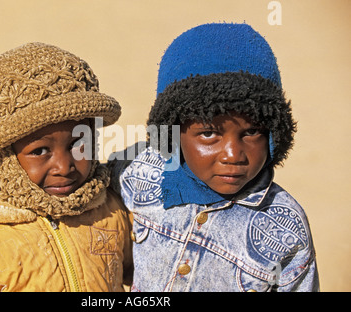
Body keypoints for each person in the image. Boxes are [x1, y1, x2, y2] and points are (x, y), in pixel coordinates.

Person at [116, 23, 319, 291]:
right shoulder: (139, 172)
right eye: (209, 134)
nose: (233, 155)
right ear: (172, 133)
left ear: (274, 133)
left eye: (252, 132)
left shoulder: (285, 225)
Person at [0, 42, 132, 292]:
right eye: (40, 151)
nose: (64, 167)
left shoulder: (113, 210)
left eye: (79, 143)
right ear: (3, 155)